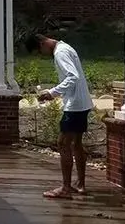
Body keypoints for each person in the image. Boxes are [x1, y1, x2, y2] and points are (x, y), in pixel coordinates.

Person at [28, 33, 93, 198]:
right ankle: (80, 184)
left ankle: (65, 188)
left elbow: (73, 77)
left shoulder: (60, 53)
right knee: (76, 143)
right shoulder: (66, 47)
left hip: (74, 105)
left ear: (42, 44)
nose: (42, 55)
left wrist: (52, 92)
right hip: (82, 102)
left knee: (63, 143)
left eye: (39, 52)